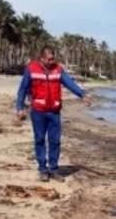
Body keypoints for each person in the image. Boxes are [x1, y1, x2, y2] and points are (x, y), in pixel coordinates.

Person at [16, 46, 92, 181]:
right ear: (42, 58)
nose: (52, 61)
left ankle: (54, 169)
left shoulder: (58, 69)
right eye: (49, 59)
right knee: (39, 139)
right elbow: (22, 89)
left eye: (53, 58)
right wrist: (19, 107)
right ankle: (43, 169)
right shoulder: (31, 69)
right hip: (38, 111)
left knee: (55, 141)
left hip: (54, 112)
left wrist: (82, 94)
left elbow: (69, 83)